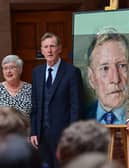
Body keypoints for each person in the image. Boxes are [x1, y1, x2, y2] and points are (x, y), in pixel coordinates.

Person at [30, 32, 83, 168]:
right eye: (45, 47)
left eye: (52, 46)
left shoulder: (72, 72)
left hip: (63, 135)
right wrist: (34, 131)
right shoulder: (37, 72)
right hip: (41, 136)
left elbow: (76, 107)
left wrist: (72, 135)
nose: (49, 50)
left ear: (59, 48)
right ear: (41, 50)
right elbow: (35, 106)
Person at [85, 28, 129, 124]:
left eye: (122, 66)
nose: (115, 79)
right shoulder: (79, 118)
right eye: (105, 68)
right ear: (91, 78)